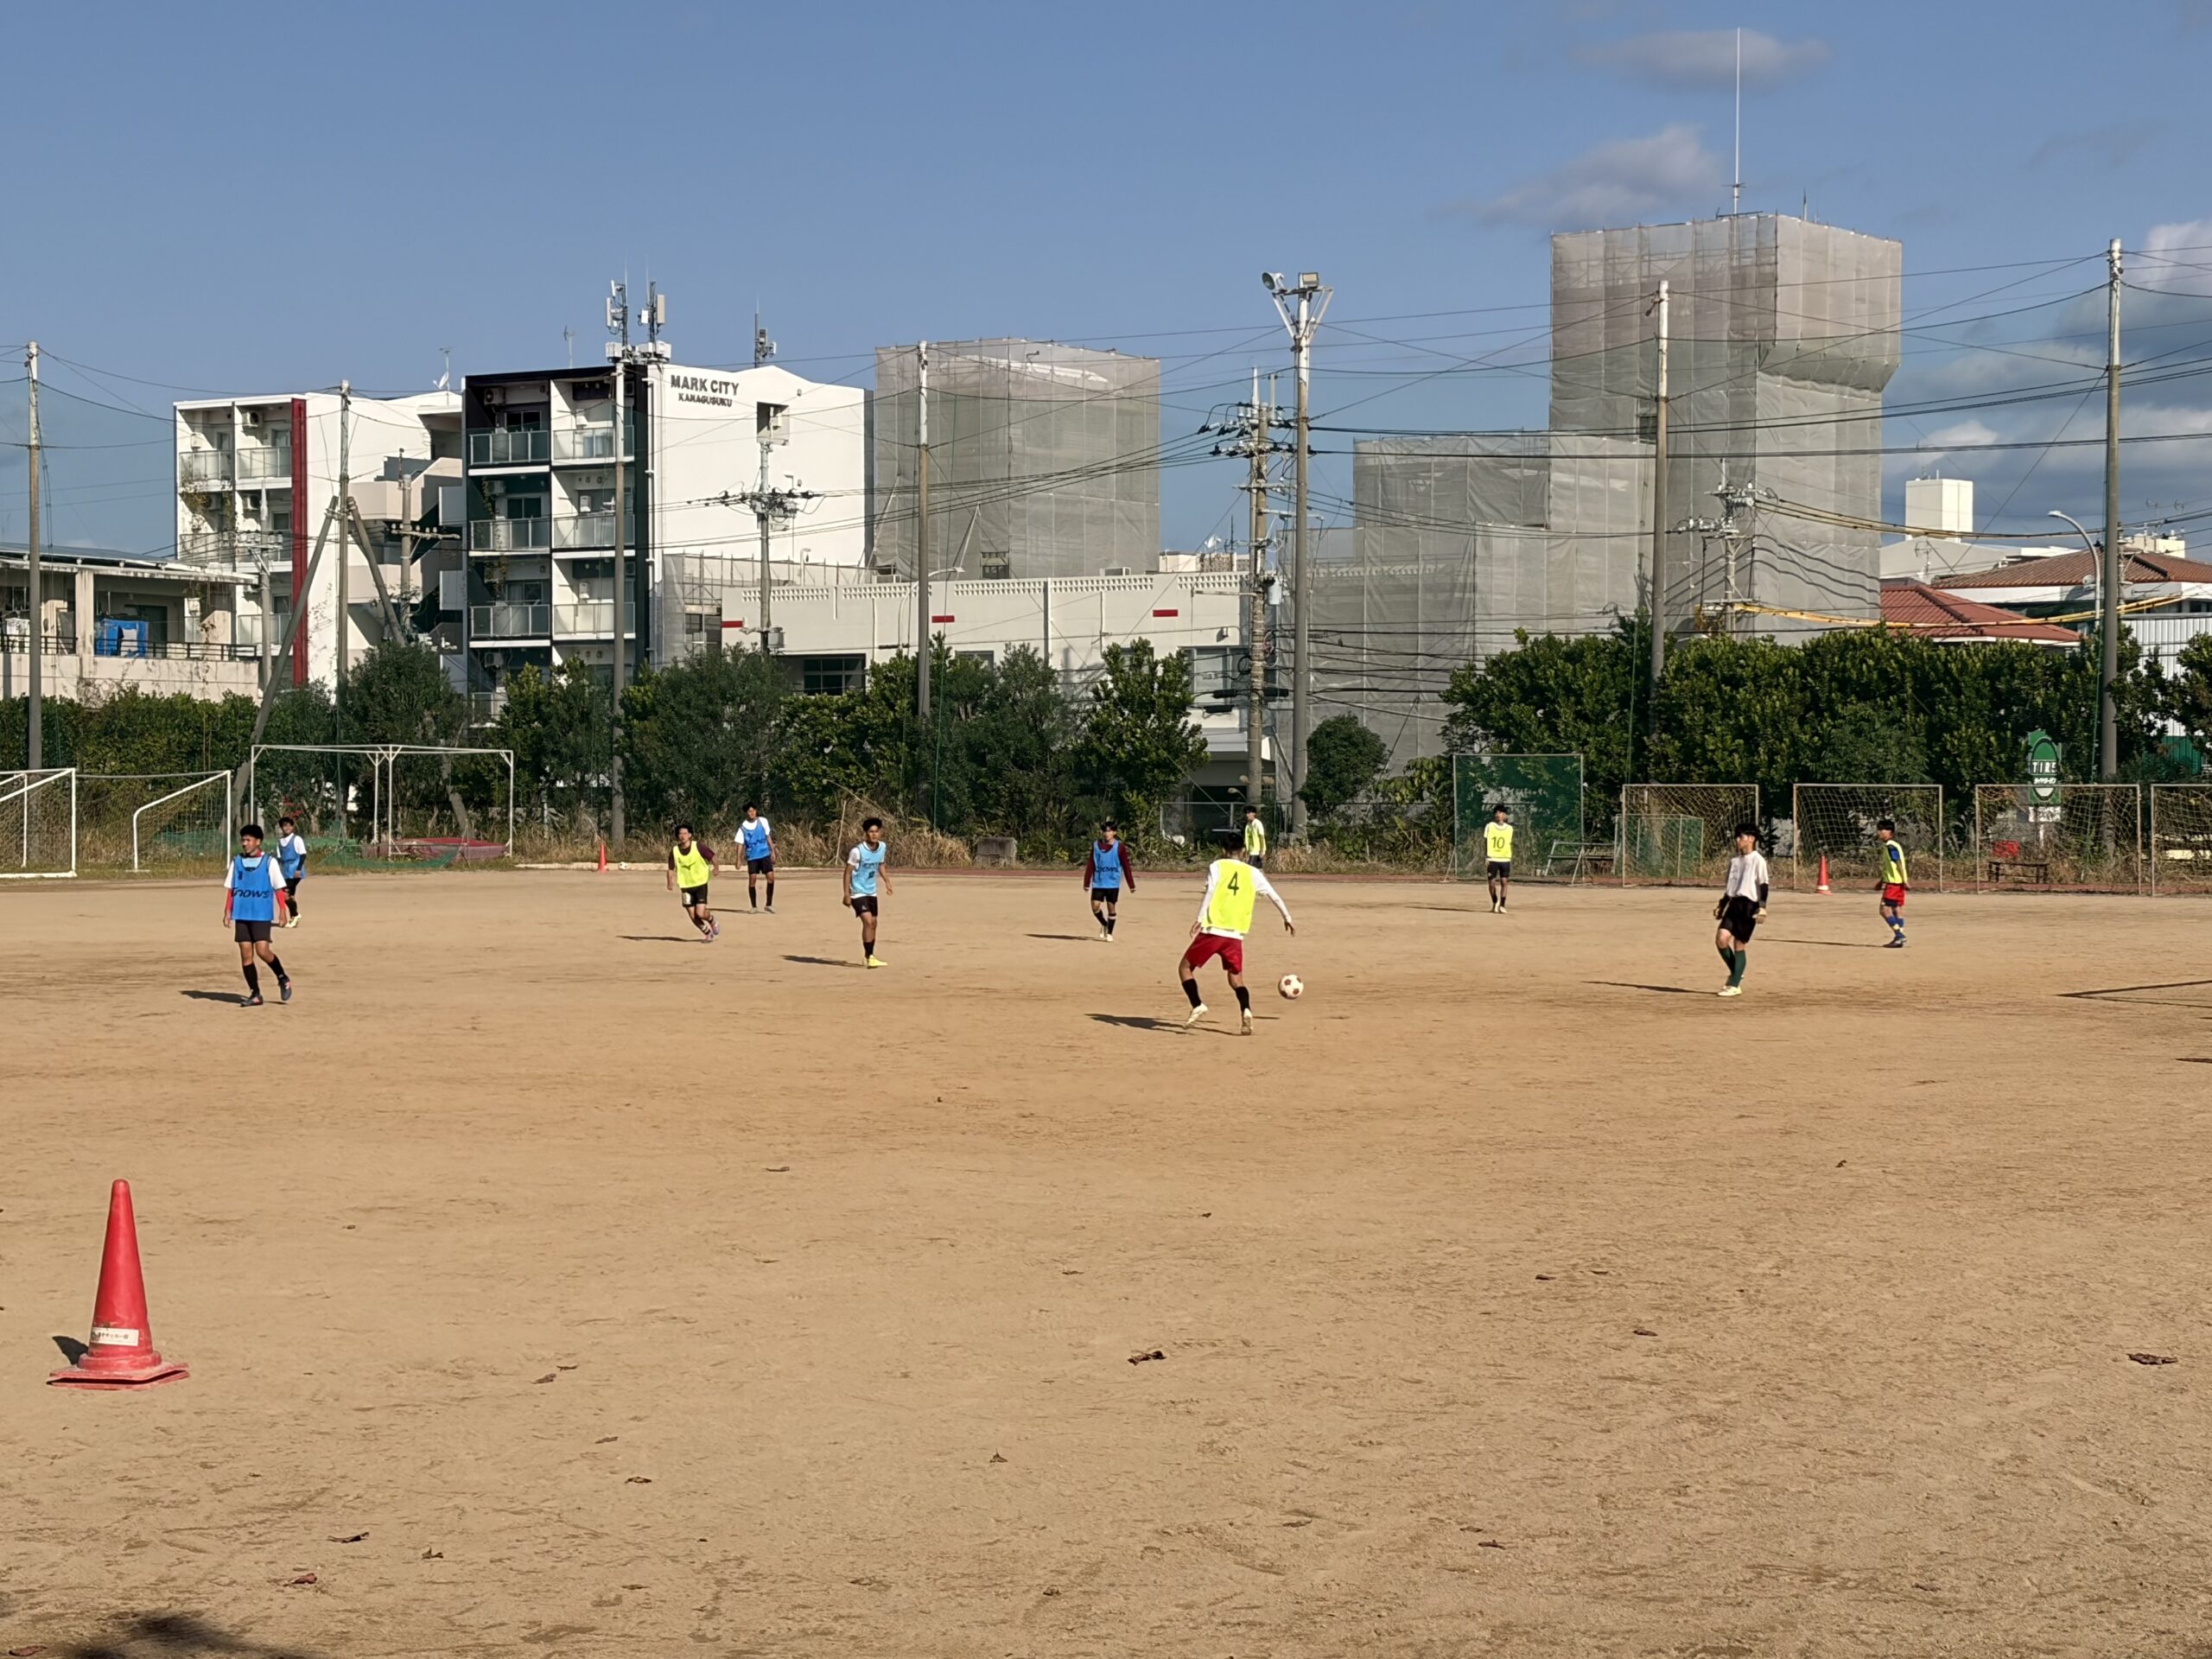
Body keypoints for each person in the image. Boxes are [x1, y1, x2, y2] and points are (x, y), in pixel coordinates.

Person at [1179, 833, 1294, 1036]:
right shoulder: (1253, 872)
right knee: (1236, 980)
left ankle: (1197, 1005)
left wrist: (1199, 918)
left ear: (1223, 850)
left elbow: (1210, 891)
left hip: (1213, 931)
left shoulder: (1217, 866)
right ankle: (1246, 1010)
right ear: (1244, 851)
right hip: (1235, 935)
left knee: (1185, 968)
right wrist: (1287, 917)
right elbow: (1274, 895)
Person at [224, 823, 293, 1007]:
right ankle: (255, 993)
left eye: (248, 840)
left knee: (262, 950)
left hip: (261, 914)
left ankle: (282, 977)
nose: (245, 844)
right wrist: (227, 911)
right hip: (242, 913)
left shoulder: (269, 862)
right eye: (243, 840)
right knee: (246, 954)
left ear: (258, 842)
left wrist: (283, 911)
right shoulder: (237, 862)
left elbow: (278, 888)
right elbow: (231, 888)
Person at [1713, 823, 1770, 999]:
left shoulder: (1758, 860)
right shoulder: (1734, 862)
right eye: (1737, 837)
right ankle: (1737, 972)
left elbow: (1763, 884)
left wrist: (1762, 907)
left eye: (1741, 837)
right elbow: (1730, 887)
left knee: (1739, 944)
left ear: (1751, 839)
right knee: (1721, 939)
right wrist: (1722, 904)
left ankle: (1734, 985)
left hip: (1749, 905)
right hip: (1734, 904)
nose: (1737, 840)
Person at [844, 816, 893, 968]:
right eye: (871, 832)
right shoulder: (857, 851)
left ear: (880, 833)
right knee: (868, 921)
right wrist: (846, 894)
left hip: (871, 892)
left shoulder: (882, 847)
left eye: (876, 831)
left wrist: (887, 881)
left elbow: (881, 864)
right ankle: (870, 957)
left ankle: (868, 956)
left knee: (874, 923)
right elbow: (847, 872)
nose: (874, 834)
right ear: (866, 833)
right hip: (857, 892)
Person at [1083, 819, 1137, 940]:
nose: (1107, 834)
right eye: (1105, 831)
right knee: (1095, 906)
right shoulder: (1096, 846)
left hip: (1112, 883)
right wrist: (1087, 882)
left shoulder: (1120, 847)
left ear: (1114, 833)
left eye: (1110, 831)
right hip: (1099, 882)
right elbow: (1091, 864)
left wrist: (1131, 885)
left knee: (1111, 908)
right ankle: (1104, 924)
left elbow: (1126, 866)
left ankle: (1110, 933)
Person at [665, 824, 719, 942]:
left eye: (685, 833)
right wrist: (670, 882)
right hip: (685, 886)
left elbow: (713, 857)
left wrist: (716, 868)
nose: (682, 836)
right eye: (680, 834)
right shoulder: (674, 851)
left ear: (690, 835)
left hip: (700, 883)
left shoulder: (698, 847)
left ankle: (711, 920)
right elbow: (670, 868)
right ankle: (707, 933)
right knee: (692, 914)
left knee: (700, 913)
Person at [1876, 818, 1909, 948]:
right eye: (1879, 830)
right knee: (1896, 909)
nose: (1879, 832)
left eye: (1882, 830)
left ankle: (1899, 935)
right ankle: (1898, 937)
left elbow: (1898, 863)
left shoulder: (1890, 846)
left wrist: (1905, 880)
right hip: (1897, 883)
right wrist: (1881, 881)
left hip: (1894, 884)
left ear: (1889, 832)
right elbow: (1891, 867)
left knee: (1884, 910)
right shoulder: (1891, 845)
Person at [738, 804, 777, 913]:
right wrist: (738, 859)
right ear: (747, 813)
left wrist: (773, 851)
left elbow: (768, 837)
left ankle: (768, 904)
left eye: (753, 810)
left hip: (764, 854)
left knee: (771, 877)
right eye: (750, 811)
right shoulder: (743, 827)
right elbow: (740, 844)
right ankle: (754, 906)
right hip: (752, 856)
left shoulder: (763, 821)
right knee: (753, 879)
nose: (752, 813)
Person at [274, 816, 308, 927]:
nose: (287, 828)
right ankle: (294, 918)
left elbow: (303, 855)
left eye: (289, 825)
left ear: (293, 827)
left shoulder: (297, 839)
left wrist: (298, 869)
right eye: (285, 826)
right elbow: (279, 858)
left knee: (284, 894)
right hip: (285, 871)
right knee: (291, 896)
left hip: (294, 870)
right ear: (281, 827)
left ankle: (296, 914)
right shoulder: (280, 842)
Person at [1484, 804, 1514, 913]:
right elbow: (1486, 842)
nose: (1498, 815)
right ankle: (1495, 902)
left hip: (1505, 859)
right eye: (1496, 813)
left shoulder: (1509, 829)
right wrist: (1486, 856)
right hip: (1492, 858)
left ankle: (1502, 905)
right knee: (1491, 883)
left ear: (1504, 815)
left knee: (1504, 882)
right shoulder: (1490, 826)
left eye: (1500, 813)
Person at [1242, 805, 1268, 869]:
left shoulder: (1257, 823)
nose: (1247, 815)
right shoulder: (1248, 825)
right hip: (1251, 851)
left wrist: (1261, 850)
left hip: (1257, 851)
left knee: (1250, 869)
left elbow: (1261, 837)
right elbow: (1247, 839)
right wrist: (1247, 851)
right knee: (1258, 870)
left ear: (1254, 814)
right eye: (1246, 813)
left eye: (1249, 813)